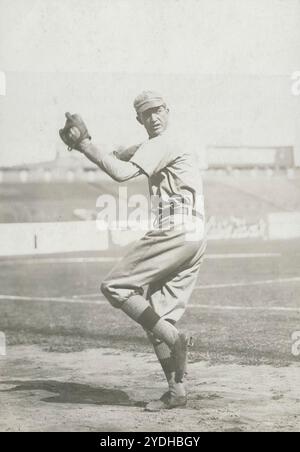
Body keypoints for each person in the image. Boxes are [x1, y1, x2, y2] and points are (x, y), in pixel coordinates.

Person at [59, 90, 206, 410]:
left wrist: (83, 143)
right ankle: (177, 391)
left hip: (176, 227)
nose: (154, 117)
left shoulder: (161, 142)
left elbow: (121, 172)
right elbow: (122, 153)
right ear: (139, 119)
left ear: (169, 110)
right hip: (196, 233)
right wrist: (93, 144)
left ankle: (176, 338)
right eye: (146, 114)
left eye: (158, 111)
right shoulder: (167, 143)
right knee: (158, 316)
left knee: (115, 286)